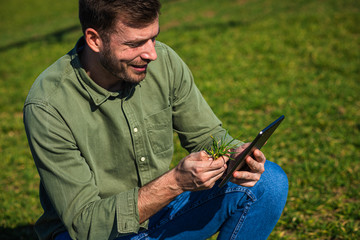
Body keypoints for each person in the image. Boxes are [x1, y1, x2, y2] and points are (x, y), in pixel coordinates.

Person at [23, 0, 288, 239]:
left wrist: (237, 155)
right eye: (135, 43)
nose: (152, 54)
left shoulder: (164, 63)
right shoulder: (48, 105)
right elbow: (86, 224)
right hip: (96, 233)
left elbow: (208, 136)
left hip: (161, 212)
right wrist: (175, 182)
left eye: (153, 38)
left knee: (270, 184)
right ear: (94, 39)